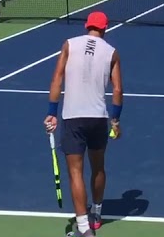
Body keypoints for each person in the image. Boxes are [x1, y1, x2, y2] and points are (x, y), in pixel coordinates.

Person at [44, 12, 124, 236]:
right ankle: (96, 213)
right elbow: (117, 90)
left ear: (87, 26)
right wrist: (115, 121)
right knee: (98, 167)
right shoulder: (112, 52)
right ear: (105, 28)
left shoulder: (69, 44)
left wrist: (52, 112)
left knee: (75, 172)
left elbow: (57, 77)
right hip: (98, 119)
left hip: (73, 118)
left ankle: (84, 229)